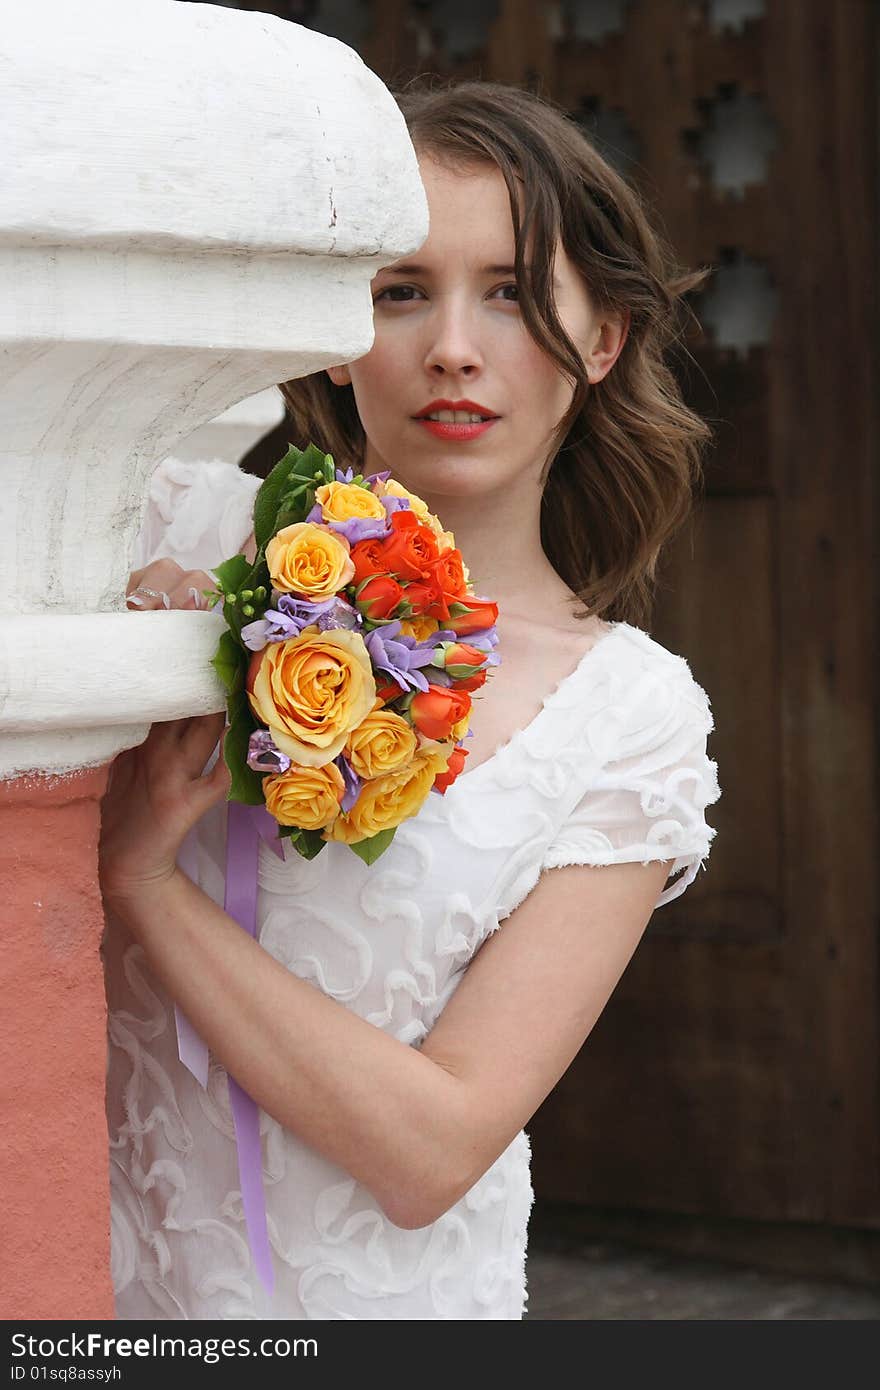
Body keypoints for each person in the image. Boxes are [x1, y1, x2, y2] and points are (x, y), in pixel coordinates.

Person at [100, 78, 721, 1321]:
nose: (451, 345)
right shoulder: (173, 530)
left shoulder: (629, 720)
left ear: (601, 337)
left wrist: (148, 884)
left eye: (508, 290)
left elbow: (432, 1151)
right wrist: (120, 666)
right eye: (400, 292)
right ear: (339, 330)